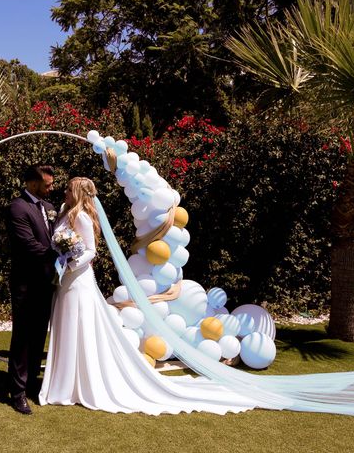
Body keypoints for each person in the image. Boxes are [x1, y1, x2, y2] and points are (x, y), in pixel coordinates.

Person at [39, 177, 258, 415]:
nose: (65, 191)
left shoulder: (81, 216)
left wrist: (69, 263)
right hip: (64, 280)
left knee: (76, 327)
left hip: (77, 279)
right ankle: (64, 382)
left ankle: (75, 384)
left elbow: (90, 251)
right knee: (66, 326)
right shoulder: (64, 212)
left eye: (69, 189)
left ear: (78, 193)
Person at [6, 164, 58, 415]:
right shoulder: (17, 207)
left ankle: (32, 385)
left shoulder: (49, 208)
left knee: (39, 336)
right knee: (23, 338)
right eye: (47, 184)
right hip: (26, 283)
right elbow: (27, 244)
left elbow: (57, 235)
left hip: (47, 281)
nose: (52, 187)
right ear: (33, 183)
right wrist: (59, 253)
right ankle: (17, 393)